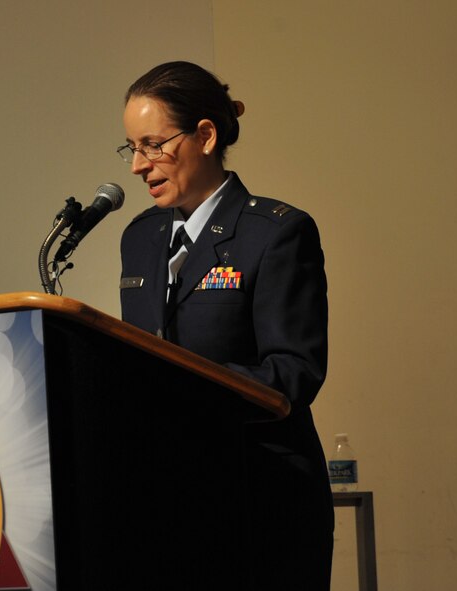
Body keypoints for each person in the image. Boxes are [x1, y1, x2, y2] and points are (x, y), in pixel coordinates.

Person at [118, 61, 334, 590]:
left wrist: (178, 387)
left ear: (205, 136)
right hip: (166, 501)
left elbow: (293, 373)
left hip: (259, 497)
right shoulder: (139, 238)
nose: (138, 166)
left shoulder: (276, 234)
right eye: (132, 148)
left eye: (152, 145)